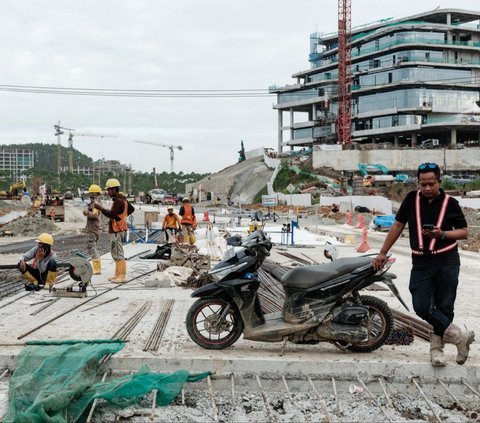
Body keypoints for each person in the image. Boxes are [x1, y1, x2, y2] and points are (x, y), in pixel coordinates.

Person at [373, 162, 474, 366]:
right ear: (418, 183)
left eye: (431, 184)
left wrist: (442, 234)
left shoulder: (450, 203)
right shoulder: (411, 200)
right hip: (420, 261)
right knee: (421, 306)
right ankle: (460, 338)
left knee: (445, 306)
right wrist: (382, 252)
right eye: (423, 184)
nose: (427, 188)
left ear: (439, 181)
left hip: (447, 260)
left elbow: (464, 232)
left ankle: (435, 350)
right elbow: (398, 225)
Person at [94, 178, 134, 283]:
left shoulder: (118, 201)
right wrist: (122, 217)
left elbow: (111, 214)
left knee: (118, 252)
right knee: (115, 252)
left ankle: (122, 275)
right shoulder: (123, 200)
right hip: (118, 229)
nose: (108, 192)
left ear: (114, 189)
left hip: (116, 230)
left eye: (109, 190)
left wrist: (100, 208)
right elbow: (131, 209)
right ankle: (117, 274)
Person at [83, 184, 103, 275]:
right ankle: (96, 267)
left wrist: (86, 212)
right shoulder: (95, 203)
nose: (90, 195)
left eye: (91, 193)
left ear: (95, 194)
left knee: (93, 247)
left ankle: (97, 268)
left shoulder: (96, 204)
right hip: (93, 228)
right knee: (91, 247)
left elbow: (95, 215)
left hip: (93, 229)